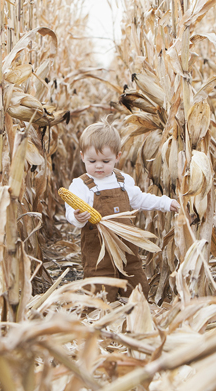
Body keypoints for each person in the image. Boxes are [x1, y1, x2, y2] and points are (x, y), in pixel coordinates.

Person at [64, 120, 180, 301]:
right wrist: (78, 217)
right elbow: (71, 211)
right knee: (100, 280)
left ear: (117, 157)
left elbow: (140, 199)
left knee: (134, 275)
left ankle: (135, 309)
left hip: (127, 243)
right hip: (98, 247)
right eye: (92, 161)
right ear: (82, 156)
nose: (99, 166)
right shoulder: (80, 185)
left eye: (106, 161)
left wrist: (166, 203)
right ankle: (100, 314)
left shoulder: (123, 180)